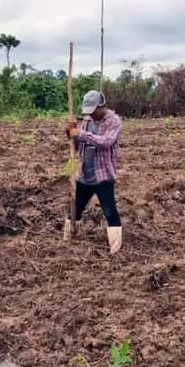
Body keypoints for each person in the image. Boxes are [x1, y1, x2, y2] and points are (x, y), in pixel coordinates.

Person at [64, 90, 123, 253]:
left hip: (103, 176)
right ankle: (68, 240)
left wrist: (81, 133)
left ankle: (115, 248)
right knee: (74, 209)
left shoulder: (114, 121)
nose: (90, 114)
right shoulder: (87, 120)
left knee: (109, 211)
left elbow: (106, 142)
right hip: (84, 174)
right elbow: (78, 146)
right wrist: (70, 133)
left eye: (93, 110)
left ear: (101, 106)